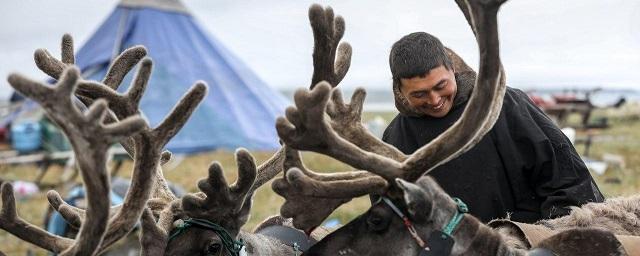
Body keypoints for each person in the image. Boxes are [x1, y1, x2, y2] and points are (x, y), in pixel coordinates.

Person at [382, 32, 604, 223]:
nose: (434, 99)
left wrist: (544, 243)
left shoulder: (506, 106)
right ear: (399, 89)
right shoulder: (394, 138)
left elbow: (569, 183)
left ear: (452, 69)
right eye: (419, 94)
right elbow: (392, 219)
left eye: (441, 86)